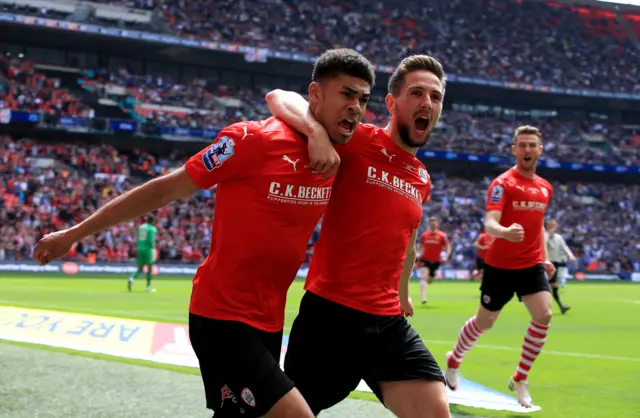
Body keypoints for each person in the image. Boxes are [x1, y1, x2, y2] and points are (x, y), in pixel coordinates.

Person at [32, 48, 376, 418]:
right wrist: (75, 233)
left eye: (364, 98)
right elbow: (165, 189)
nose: (356, 106)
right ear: (317, 95)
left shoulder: (344, 153)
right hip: (221, 316)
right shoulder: (252, 140)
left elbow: (283, 97)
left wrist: (316, 132)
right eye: (346, 93)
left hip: (270, 318)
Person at [265, 55, 450, 418]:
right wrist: (317, 132)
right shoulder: (356, 139)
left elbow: (407, 241)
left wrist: (402, 292)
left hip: (386, 324)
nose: (427, 102)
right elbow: (278, 97)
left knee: (435, 411)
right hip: (331, 319)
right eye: (417, 92)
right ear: (392, 102)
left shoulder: (421, 177)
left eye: (435, 96)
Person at [444, 125, 556, 409]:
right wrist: (505, 231)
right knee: (485, 323)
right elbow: (490, 223)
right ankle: (454, 358)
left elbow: (540, 225)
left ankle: (520, 378)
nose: (528, 149)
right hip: (500, 266)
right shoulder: (502, 184)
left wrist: (544, 257)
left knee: (543, 315)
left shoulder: (545, 187)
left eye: (533, 145)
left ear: (540, 150)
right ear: (514, 149)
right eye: (523, 145)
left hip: (530, 264)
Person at [417, 216, 451, 303]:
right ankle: (423, 297)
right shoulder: (424, 235)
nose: (433, 225)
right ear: (429, 224)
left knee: (429, 280)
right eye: (431, 223)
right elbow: (421, 247)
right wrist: (418, 254)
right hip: (425, 259)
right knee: (424, 277)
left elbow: (447, 247)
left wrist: (446, 256)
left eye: (434, 223)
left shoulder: (442, 235)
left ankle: (429, 279)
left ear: (437, 224)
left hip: (436, 261)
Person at [545, 219, 575, 313]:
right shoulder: (545, 236)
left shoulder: (558, 237)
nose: (553, 227)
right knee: (549, 286)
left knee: (554, 286)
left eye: (554, 225)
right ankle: (555, 306)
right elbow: (543, 243)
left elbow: (565, 247)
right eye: (551, 225)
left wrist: (570, 255)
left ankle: (559, 306)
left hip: (556, 264)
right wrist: (548, 233)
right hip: (547, 264)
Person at [128, 214, 158, 292]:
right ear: (152, 221)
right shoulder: (152, 229)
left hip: (140, 248)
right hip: (148, 250)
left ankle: (132, 278)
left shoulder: (141, 227)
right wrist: (153, 249)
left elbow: (137, 238)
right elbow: (151, 241)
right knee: (150, 268)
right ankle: (148, 287)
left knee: (140, 268)